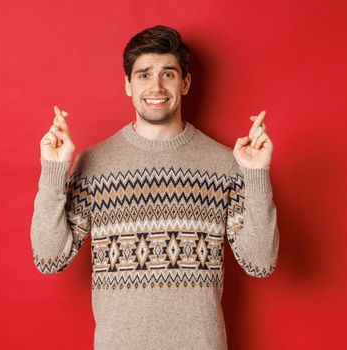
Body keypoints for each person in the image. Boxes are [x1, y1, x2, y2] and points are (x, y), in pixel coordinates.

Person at [30, 25, 279, 350]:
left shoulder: (224, 164)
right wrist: (53, 168)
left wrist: (257, 175)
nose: (156, 86)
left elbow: (260, 263)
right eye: (144, 74)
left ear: (185, 83)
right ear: (128, 85)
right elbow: (49, 259)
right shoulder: (95, 163)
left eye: (168, 74)